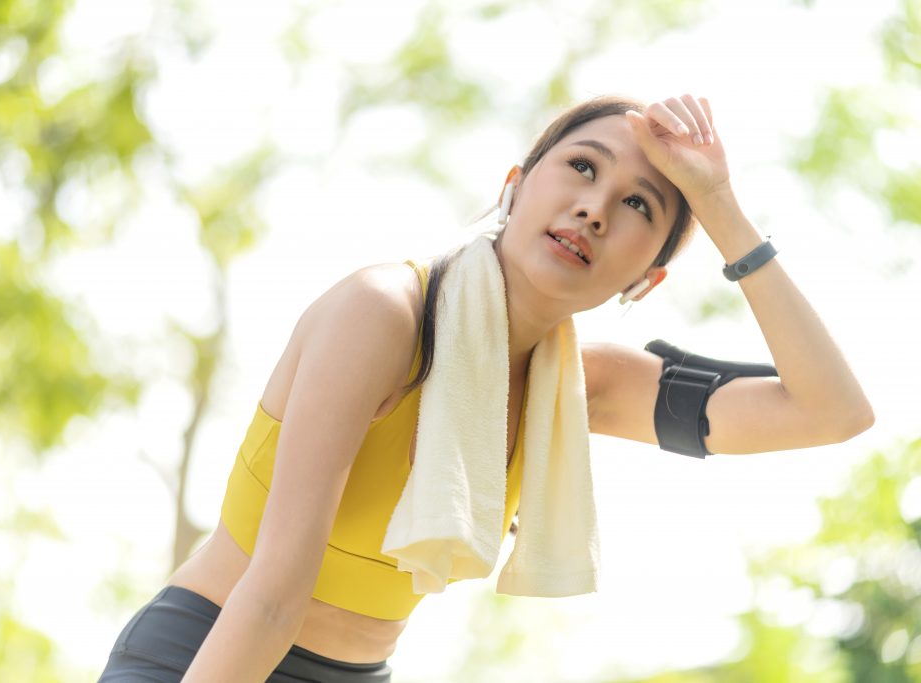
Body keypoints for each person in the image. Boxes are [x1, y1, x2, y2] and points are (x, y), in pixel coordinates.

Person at [96, 93, 874, 682]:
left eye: (640, 204)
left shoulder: (584, 387)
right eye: (582, 165)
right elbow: (272, 593)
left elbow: (832, 410)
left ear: (650, 277)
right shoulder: (385, 315)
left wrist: (720, 205)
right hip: (209, 650)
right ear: (516, 183)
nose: (594, 208)